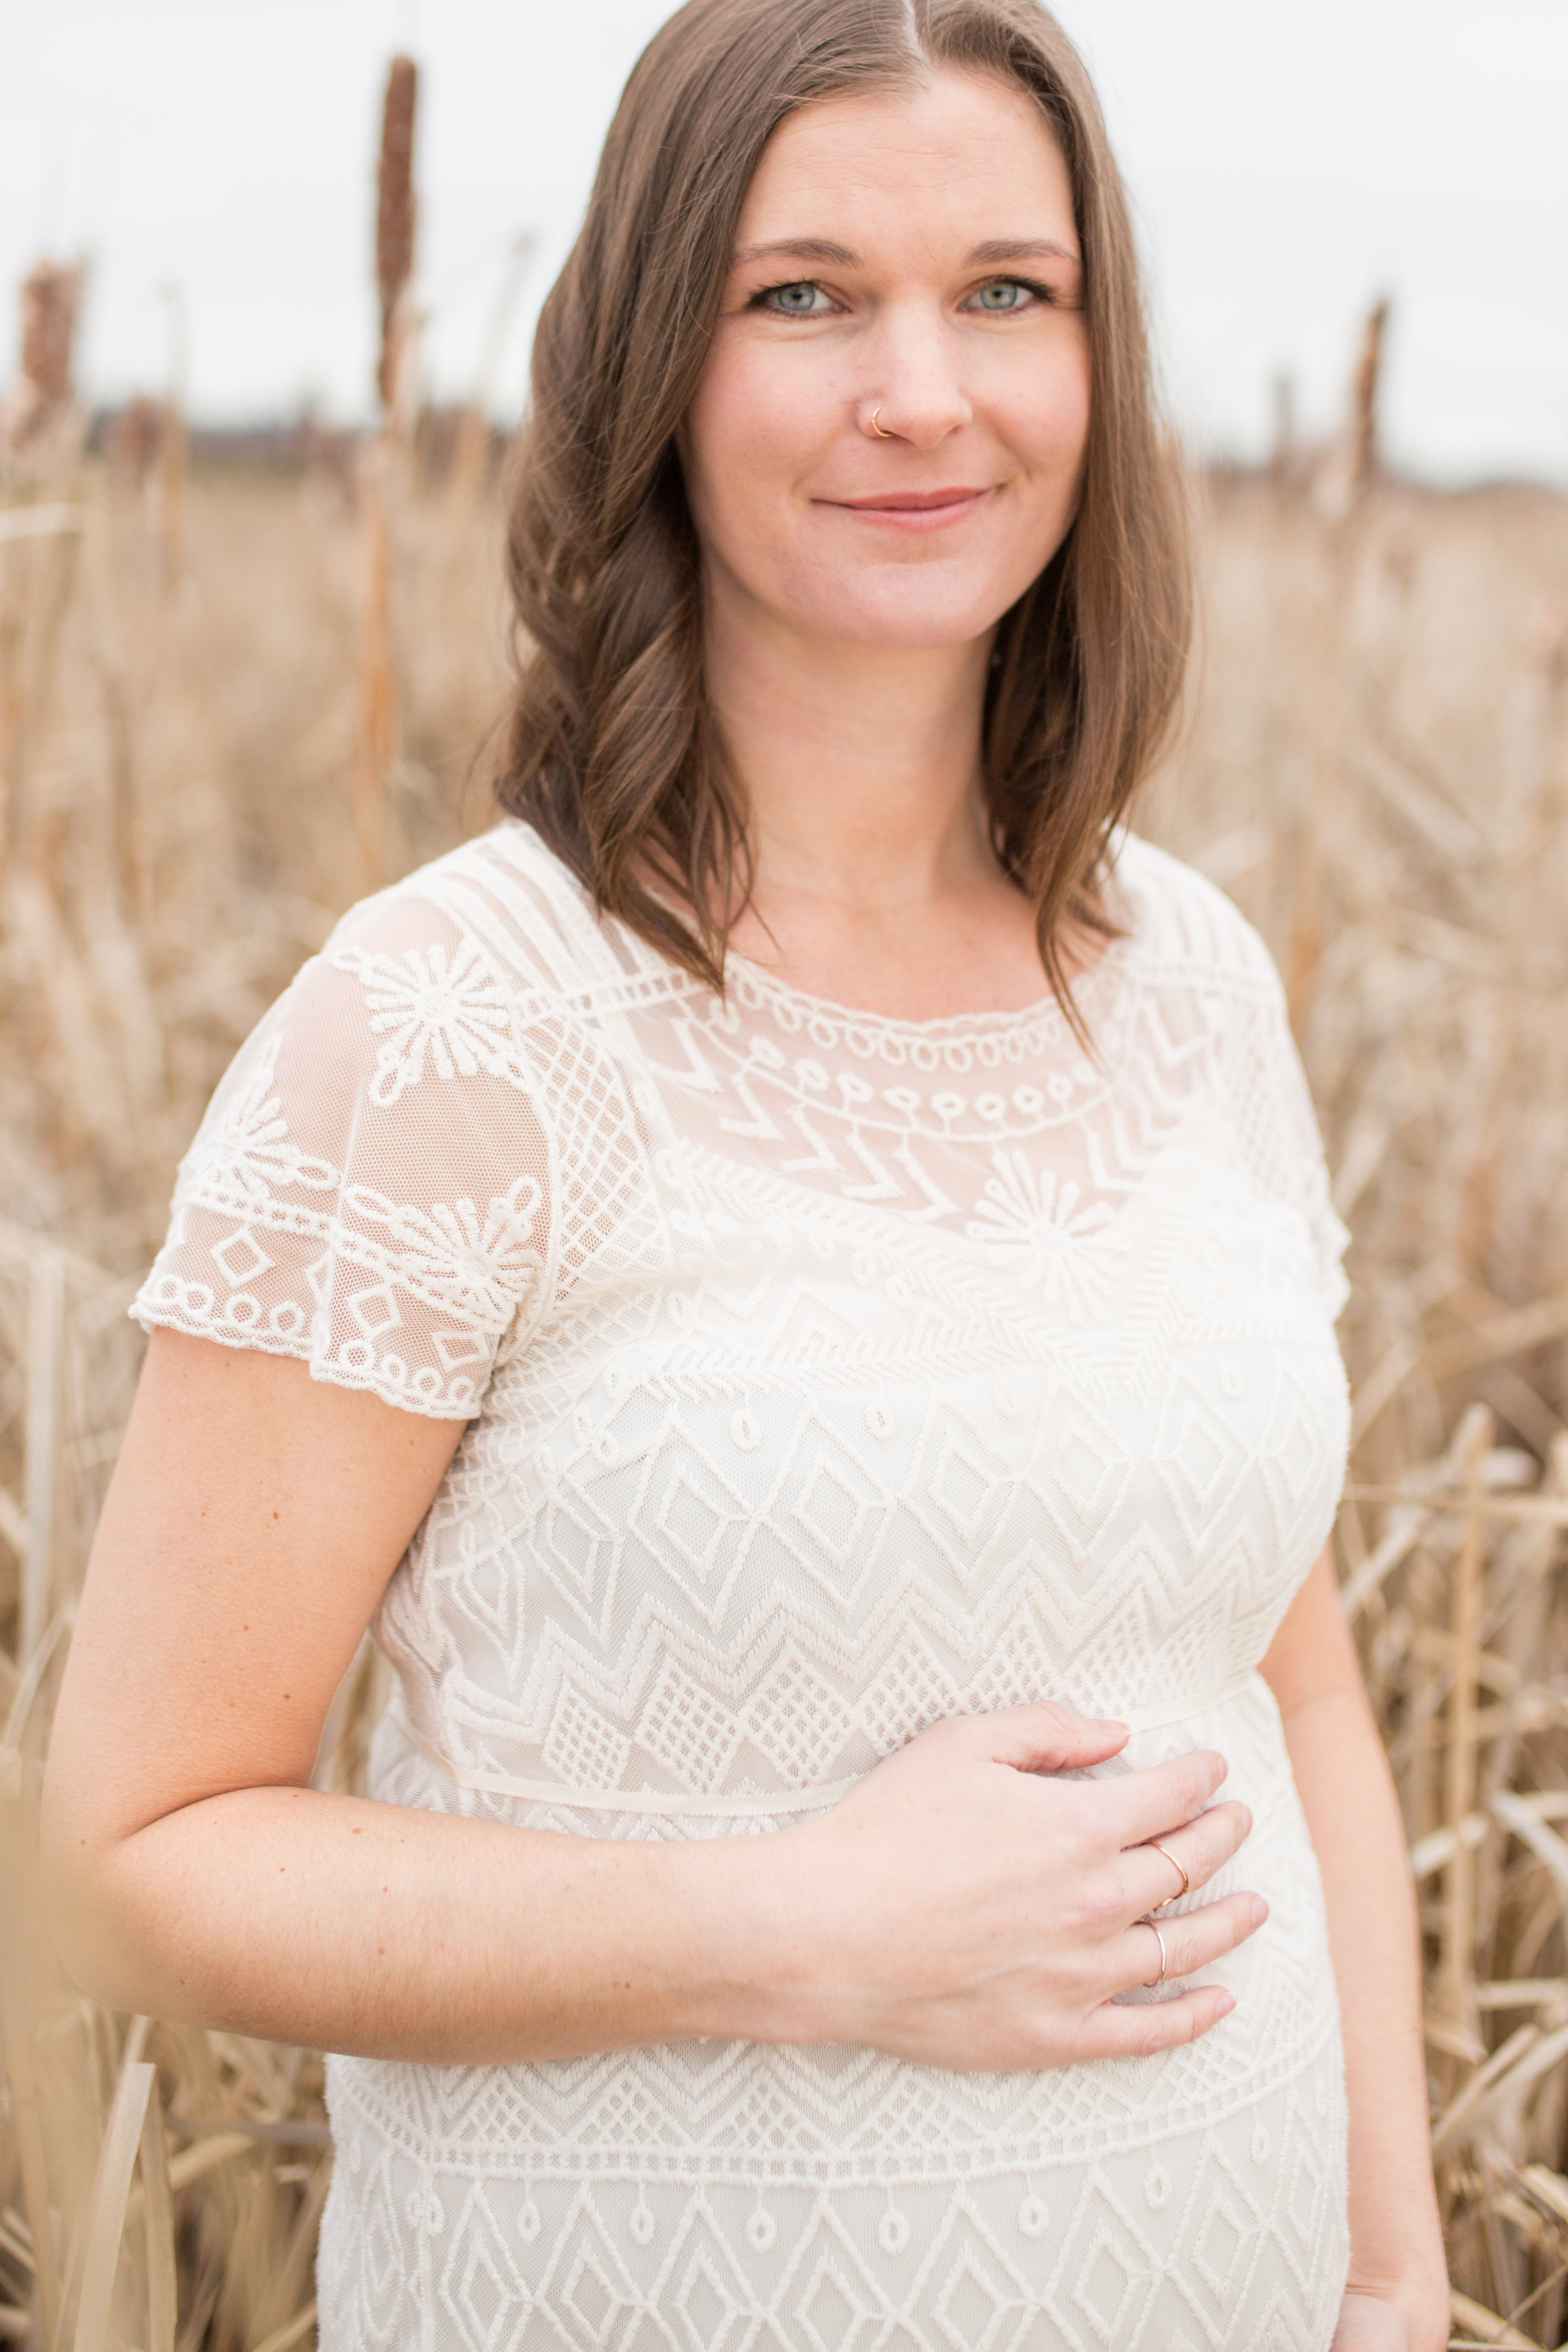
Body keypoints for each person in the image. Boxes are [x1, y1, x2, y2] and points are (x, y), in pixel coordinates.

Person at [42, 1, 1448, 2344]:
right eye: (802, 295)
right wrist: (795, 1928)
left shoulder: (1185, 975)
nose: (926, 390)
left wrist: (1388, 2257)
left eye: (1009, 289)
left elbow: (1287, 1688)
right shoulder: (455, 1030)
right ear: (650, 373)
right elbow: (134, 1857)